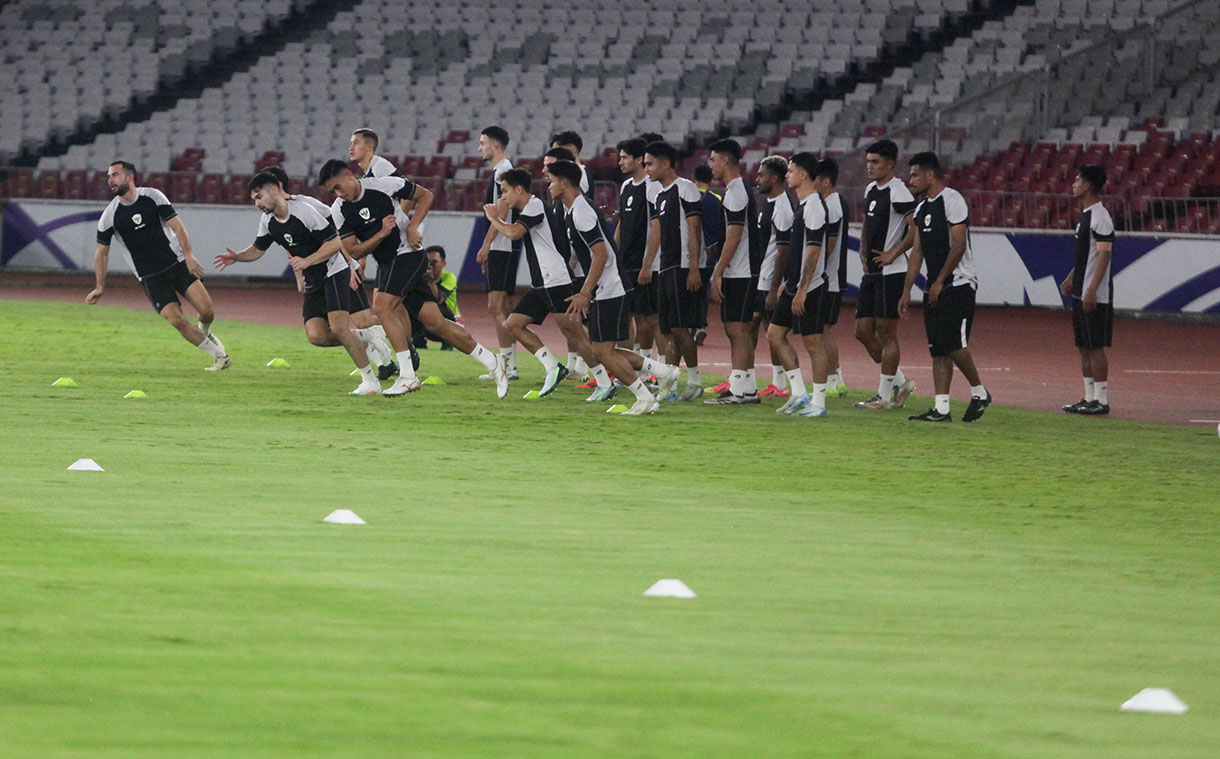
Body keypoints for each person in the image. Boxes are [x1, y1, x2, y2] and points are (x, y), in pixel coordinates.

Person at [321, 160, 508, 398]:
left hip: (408, 255)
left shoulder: (384, 185)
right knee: (436, 323)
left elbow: (426, 195)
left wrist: (413, 227)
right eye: (332, 191)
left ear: (349, 175)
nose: (338, 194)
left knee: (381, 307)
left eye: (338, 187)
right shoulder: (339, 210)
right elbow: (354, 251)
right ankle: (494, 363)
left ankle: (408, 376)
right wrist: (381, 233)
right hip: (388, 263)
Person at [213, 172, 380, 394]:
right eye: (254, 199)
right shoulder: (268, 222)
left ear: (274, 190)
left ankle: (370, 381)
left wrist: (307, 261)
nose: (257, 204)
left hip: (334, 270)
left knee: (339, 328)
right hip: (312, 277)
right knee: (317, 336)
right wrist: (237, 257)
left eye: (259, 197)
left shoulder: (304, 211)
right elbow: (257, 250)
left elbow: (334, 243)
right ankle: (367, 335)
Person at [550, 160, 673, 413]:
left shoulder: (581, 211)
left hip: (610, 287)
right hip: (605, 287)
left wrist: (586, 292)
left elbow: (601, 255)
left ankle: (645, 398)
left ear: (564, 182)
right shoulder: (575, 209)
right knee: (602, 350)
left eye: (551, 180)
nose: (548, 185)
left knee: (603, 353)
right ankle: (662, 371)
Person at [87, 160, 230, 370]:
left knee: (207, 311)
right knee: (176, 319)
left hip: (177, 264)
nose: (110, 180)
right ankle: (220, 357)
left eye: (115, 175)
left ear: (129, 177)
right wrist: (99, 287)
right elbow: (102, 253)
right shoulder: (109, 217)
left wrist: (189, 256)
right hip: (150, 277)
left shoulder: (152, 197)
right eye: (108, 177)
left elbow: (178, 228)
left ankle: (204, 333)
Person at [263, 165, 398, 379]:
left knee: (362, 320)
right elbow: (290, 246)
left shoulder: (307, 205)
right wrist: (299, 275)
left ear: (277, 187)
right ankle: (385, 358)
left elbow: (337, 235)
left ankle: (402, 352)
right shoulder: (276, 215)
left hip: (339, 267)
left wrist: (350, 266)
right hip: (316, 274)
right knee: (320, 335)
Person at [483, 168, 604, 400]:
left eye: (505, 191)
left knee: (576, 335)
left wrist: (494, 217)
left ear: (519, 189)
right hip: (544, 282)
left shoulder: (535, 206)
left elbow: (513, 233)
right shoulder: (531, 207)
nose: (503, 197)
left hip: (556, 281)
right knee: (514, 324)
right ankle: (552, 367)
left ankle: (605, 381)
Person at [899, 152, 991, 422]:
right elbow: (917, 252)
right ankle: (941, 409)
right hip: (934, 287)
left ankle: (979, 391)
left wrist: (940, 280)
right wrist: (907, 290)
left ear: (930, 175)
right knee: (938, 348)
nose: (910, 180)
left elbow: (959, 244)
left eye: (915, 174)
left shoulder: (952, 200)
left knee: (953, 345)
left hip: (958, 284)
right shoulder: (922, 209)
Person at [768, 152, 831, 419]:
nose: (787, 175)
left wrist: (803, 288)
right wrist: (789, 283)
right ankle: (798, 393)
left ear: (804, 175)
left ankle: (819, 402)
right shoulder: (804, 205)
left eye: (791, 170)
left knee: (814, 343)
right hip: (794, 285)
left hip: (811, 288)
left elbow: (814, 251)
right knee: (774, 334)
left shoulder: (815, 206)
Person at [855, 139, 917, 410]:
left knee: (887, 332)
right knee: (862, 331)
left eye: (875, 162)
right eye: (868, 161)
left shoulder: (899, 192)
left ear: (890, 164)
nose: (870, 167)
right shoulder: (871, 189)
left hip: (892, 271)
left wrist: (894, 252)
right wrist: (863, 246)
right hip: (873, 271)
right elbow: (869, 222)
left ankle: (884, 396)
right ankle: (901, 382)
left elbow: (915, 229)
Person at [642, 141, 705, 401]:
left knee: (680, 328)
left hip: (682, 268)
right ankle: (670, 386)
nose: (646, 169)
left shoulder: (686, 189)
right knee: (667, 329)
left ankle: (695, 380)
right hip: (666, 267)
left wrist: (693, 267)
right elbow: (657, 233)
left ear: (666, 163)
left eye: (649, 163)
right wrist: (649, 264)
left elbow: (694, 230)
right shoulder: (659, 195)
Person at [705, 139, 761, 405]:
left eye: (713, 159)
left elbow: (735, 235)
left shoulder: (737, 191)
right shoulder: (737, 189)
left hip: (741, 271)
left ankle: (739, 391)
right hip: (741, 270)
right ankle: (747, 388)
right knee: (737, 329)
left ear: (725, 160)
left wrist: (718, 270)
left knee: (737, 329)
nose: (711, 165)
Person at [1060, 165, 1115, 415]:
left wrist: (1092, 289)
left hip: (1095, 293)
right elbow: (1087, 256)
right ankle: (1088, 396)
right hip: (1081, 290)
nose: (1074, 183)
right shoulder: (1086, 216)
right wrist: (1072, 278)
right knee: (1083, 346)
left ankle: (1101, 400)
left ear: (1089, 185)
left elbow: (1104, 255)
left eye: (1078, 179)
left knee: (1095, 346)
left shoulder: (1100, 217)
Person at [474, 125, 521, 380]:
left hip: (502, 246)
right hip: (508, 246)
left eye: (482, 143)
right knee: (504, 305)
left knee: (496, 306)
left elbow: (500, 212)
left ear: (494, 145)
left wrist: (486, 244)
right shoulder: (505, 170)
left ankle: (507, 366)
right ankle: (510, 364)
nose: (480, 148)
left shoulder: (501, 172)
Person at [543, 146, 593, 383]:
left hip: (586, 272)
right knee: (573, 322)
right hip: (574, 270)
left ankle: (596, 370)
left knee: (589, 325)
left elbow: (599, 252)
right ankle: (577, 365)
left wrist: (584, 285)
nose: (545, 173)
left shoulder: (580, 207)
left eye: (549, 168)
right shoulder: (561, 204)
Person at [614, 138, 660, 362]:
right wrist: (614, 254)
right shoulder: (625, 186)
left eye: (624, 157)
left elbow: (655, 227)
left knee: (648, 318)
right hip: (625, 263)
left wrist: (648, 263)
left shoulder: (651, 187)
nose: (619, 162)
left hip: (643, 263)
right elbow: (622, 223)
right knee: (625, 316)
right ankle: (629, 365)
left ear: (639, 159)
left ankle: (650, 366)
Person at [754, 156, 795, 398]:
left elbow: (783, 251)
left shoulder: (782, 207)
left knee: (775, 332)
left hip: (771, 280)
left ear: (775, 178)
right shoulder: (769, 203)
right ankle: (778, 383)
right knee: (766, 329)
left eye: (762, 175)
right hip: (763, 277)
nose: (757, 179)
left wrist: (773, 287)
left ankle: (784, 385)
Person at [814, 158, 849, 398]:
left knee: (822, 330)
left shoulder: (832, 205)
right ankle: (835, 379)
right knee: (823, 330)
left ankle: (833, 380)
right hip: (830, 277)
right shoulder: (833, 202)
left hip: (829, 278)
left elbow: (829, 244)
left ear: (825, 181)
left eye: (815, 177)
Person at [692, 163, 722, 348]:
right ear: (711, 180)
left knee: (689, 292)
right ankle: (700, 324)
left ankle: (691, 325)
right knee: (702, 292)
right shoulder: (717, 199)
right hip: (711, 252)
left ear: (694, 178)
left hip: (693, 253)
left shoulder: (689, 197)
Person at [549, 130, 595, 203]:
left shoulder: (579, 174)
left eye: (557, 152)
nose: (554, 156)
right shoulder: (573, 173)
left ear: (572, 149)